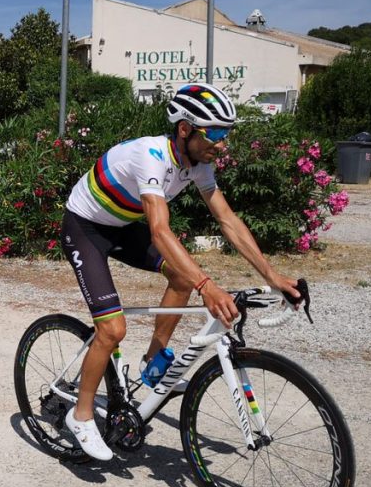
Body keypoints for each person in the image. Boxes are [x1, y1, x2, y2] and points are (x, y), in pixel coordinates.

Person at [60, 82, 301, 460]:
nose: (223, 144)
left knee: (179, 276)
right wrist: (206, 286)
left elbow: (227, 220)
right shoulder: (152, 156)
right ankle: (81, 415)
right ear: (185, 129)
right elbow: (159, 229)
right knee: (112, 329)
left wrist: (272, 276)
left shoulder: (199, 164)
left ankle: (152, 361)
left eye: (227, 133)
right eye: (216, 133)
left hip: (121, 225)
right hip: (85, 228)